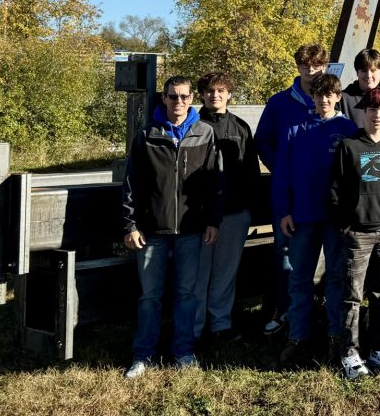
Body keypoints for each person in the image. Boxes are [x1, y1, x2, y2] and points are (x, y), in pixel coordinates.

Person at [121, 76, 221, 378]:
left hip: (191, 229)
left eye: (184, 97)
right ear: (163, 99)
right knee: (150, 296)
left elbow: (216, 181)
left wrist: (213, 220)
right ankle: (143, 355)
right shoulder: (147, 134)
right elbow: (130, 184)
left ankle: (183, 352)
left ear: (192, 99)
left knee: (186, 295)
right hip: (152, 230)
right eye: (173, 97)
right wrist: (131, 224)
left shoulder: (205, 133)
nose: (179, 102)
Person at [274, 72, 357, 365]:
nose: (323, 100)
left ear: (337, 97)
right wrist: (284, 210)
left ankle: (335, 336)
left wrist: (350, 215)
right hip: (301, 217)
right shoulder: (295, 129)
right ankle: (298, 337)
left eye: (329, 95)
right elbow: (281, 174)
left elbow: (353, 179)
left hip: (335, 220)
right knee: (299, 278)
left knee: (336, 278)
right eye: (318, 95)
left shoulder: (347, 129)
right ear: (313, 98)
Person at [330, 87, 380, 379]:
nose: (377, 115)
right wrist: (345, 220)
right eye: (372, 109)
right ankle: (349, 353)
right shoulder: (349, 145)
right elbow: (335, 187)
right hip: (358, 234)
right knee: (352, 295)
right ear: (364, 112)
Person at [255, 42, 328, 336]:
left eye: (316, 66)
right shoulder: (280, 103)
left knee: (330, 257)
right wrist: (284, 168)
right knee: (285, 256)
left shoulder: (334, 100)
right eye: (305, 66)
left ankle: (318, 311)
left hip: (325, 196)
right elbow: (263, 141)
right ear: (297, 67)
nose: (311, 72)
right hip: (291, 196)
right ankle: (283, 310)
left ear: (325, 66)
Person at [194, 72, 260, 344]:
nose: (215, 95)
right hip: (198, 214)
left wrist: (250, 209)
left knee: (225, 272)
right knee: (197, 274)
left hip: (234, 212)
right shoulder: (192, 124)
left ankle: (221, 324)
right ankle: (194, 328)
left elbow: (251, 171)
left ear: (229, 94)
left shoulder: (240, 127)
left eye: (220, 90)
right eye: (209, 91)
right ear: (202, 95)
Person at [340, 48, 380, 126]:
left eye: (373, 70)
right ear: (357, 72)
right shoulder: (343, 99)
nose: (369, 75)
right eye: (364, 71)